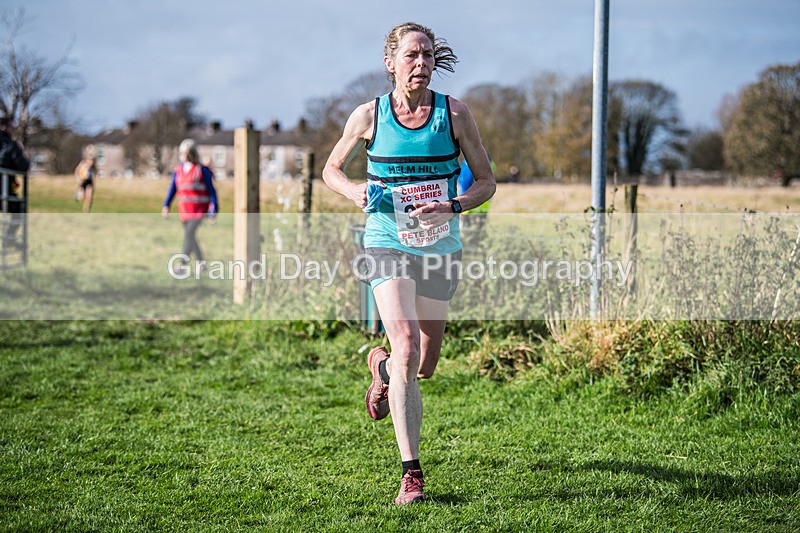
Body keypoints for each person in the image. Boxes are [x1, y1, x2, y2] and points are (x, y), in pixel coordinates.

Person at [322, 22, 495, 505]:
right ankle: (411, 474)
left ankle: (379, 370)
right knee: (405, 346)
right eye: (411, 55)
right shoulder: (368, 114)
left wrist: (454, 205)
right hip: (385, 239)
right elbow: (330, 169)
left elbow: (487, 181)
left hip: (440, 246)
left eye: (427, 55)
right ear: (390, 62)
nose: (420, 64)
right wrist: (354, 189)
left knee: (424, 361)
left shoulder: (455, 114)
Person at [162, 139, 218, 275]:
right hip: (184, 211)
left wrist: (213, 210)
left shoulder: (202, 170)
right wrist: (166, 205)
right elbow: (173, 189)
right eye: (183, 153)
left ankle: (182, 265)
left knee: (189, 234)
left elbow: (212, 192)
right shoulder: (179, 170)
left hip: (198, 210)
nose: (185, 156)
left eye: (188, 153)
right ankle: (201, 263)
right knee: (191, 237)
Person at [0, 117, 30, 249]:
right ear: (4, 127)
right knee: (20, 210)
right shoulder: (9, 145)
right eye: (11, 126)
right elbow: (23, 166)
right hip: (3, 190)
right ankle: (9, 237)